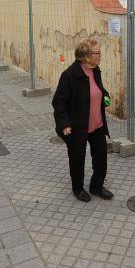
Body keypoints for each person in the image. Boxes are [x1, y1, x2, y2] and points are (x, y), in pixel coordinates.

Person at [52, 38, 113, 202]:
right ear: (86, 56)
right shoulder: (70, 75)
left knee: (101, 156)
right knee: (77, 158)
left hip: (97, 124)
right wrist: (64, 124)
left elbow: (98, 89)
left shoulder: (95, 70)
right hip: (78, 126)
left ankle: (97, 186)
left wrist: (105, 95)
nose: (100, 55)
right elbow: (59, 102)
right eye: (97, 53)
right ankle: (78, 188)